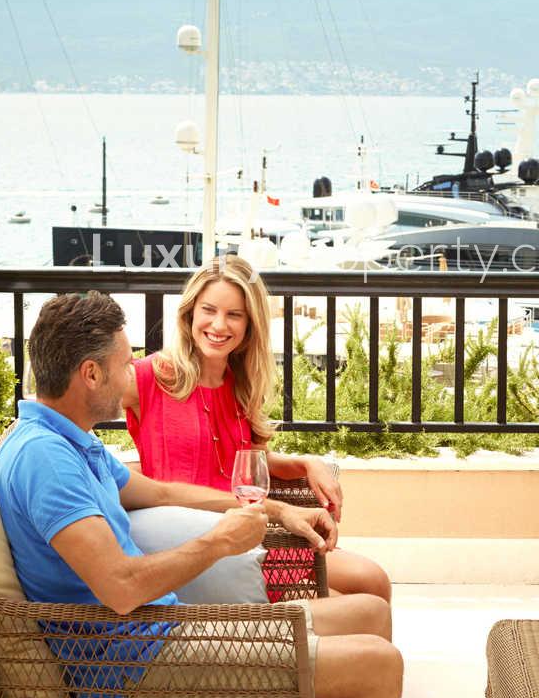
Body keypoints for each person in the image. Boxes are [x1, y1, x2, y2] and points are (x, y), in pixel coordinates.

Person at [0, 291, 493, 698]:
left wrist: (270, 509)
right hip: (130, 669)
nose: (133, 375)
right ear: (91, 374)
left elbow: (163, 491)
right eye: (125, 365)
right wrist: (218, 544)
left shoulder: (74, 443)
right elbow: (120, 588)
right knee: (379, 663)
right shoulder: (49, 462)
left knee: (368, 611)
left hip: (159, 632)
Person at [124, 255, 393, 602]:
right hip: (195, 546)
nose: (219, 325)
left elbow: (247, 459)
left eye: (234, 314)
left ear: (250, 324)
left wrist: (305, 463)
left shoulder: (237, 383)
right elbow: (80, 396)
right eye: (209, 310)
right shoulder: (150, 376)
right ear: (189, 313)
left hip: (250, 532)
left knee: (373, 582)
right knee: (356, 603)